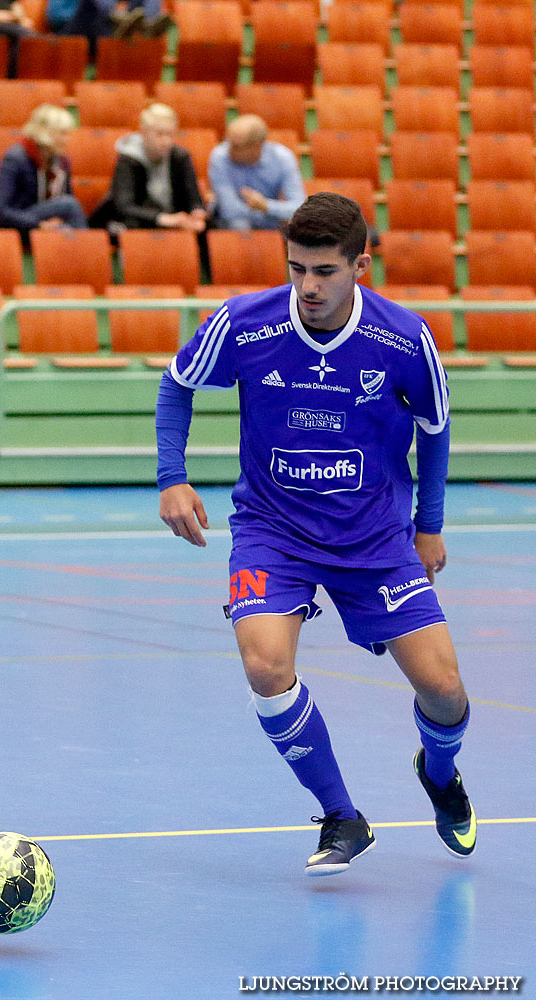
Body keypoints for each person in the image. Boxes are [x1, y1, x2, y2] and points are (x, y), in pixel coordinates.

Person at [155, 192, 474, 876]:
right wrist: (171, 477)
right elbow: (177, 383)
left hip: (376, 540)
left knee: (445, 693)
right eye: (296, 268)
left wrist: (430, 526)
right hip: (274, 530)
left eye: (324, 271)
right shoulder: (244, 323)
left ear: (360, 264)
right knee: (266, 666)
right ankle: (340, 814)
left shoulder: (404, 337)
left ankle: (440, 775)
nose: (307, 287)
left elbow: (435, 430)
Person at [91, 102, 208, 236]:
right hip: (141, 219)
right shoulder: (128, 159)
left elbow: (193, 197)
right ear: (144, 133)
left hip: (174, 217)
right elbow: (124, 206)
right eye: (159, 134)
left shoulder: (180, 157)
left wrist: (196, 212)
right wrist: (162, 218)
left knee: (206, 228)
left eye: (170, 134)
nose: (166, 141)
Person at [0, 103, 89, 236]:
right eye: (62, 134)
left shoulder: (62, 162)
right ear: (46, 133)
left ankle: (85, 248)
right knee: (69, 205)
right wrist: (39, 225)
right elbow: (0, 210)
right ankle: (89, 250)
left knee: (67, 222)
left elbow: (62, 201)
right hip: (4, 225)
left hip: (32, 222)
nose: (66, 140)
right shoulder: (15, 158)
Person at [208, 114, 305, 232]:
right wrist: (269, 214)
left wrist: (266, 206)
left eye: (237, 146)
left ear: (258, 146)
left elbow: (299, 208)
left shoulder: (282, 158)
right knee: (239, 225)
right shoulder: (220, 157)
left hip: (272, 220)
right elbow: (229, 210)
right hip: (233, 224)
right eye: (228, 141)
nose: (229, 149)